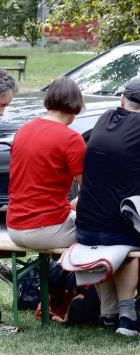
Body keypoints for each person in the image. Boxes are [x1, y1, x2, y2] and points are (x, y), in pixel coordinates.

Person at [74, 77, 140, 336]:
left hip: (85, 229)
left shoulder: (105, 118)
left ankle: (124, 316)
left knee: (125, 243)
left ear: (122, 100)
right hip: (118, 230)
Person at [6, 77, 86, 251]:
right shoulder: (71, 139)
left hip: (13, 227)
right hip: (46, 230)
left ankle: (53, 268)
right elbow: (89, 190)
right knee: (104, 233)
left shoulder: (23, 130)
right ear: (76, 105)